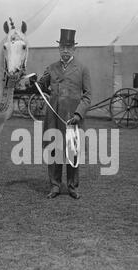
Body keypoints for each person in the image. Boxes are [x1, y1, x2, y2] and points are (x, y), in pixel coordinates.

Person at [31, 29, 92, 199]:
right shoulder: (51, 68)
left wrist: (78, 115)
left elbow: (88, 96)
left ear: (74, 49)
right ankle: (55, 186)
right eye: (62, 47)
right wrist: (35, 82)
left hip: (72, 118)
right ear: (59, 49)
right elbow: (41, 86)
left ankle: (72, 187)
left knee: (72, 152)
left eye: (69, 47)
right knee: (54, 151)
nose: (65, 50)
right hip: (53, 117)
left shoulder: (82, 69)